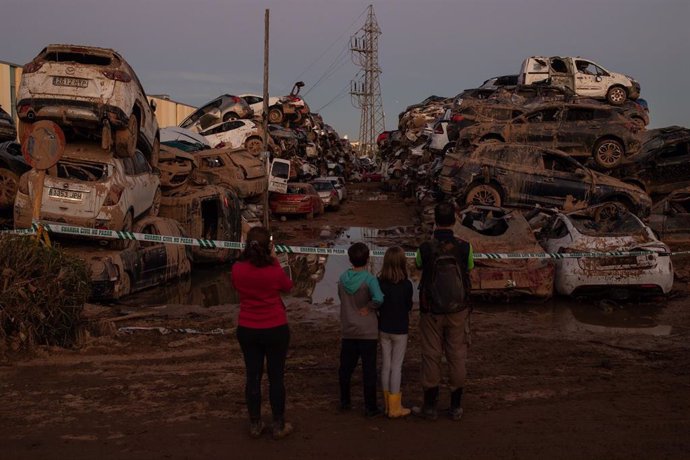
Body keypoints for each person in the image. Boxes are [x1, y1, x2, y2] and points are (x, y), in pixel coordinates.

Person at [231, 226, 294, 439]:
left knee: (253, 376)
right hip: (275, 328)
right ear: (269, 247)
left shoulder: (237, 268)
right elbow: (288, 286)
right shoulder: (274, 269)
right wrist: (276, 259)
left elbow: (237, 286)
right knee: (276, 377)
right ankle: (278, 424)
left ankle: (255, 424)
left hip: (248, 328)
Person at [413, 202, 474, 421]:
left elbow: (418, 266)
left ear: (435, 221)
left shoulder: (426, 248)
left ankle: (430, 407)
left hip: (431, 311)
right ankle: (455, 406)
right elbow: (470, 267)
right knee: (457, 355)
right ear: (454, 221)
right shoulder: (464, 246)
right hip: (458, 309)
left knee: (431, 355)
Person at [338, 242, 385, 417]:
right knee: (369, 369)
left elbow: (341, 298)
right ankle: (370, 406)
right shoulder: (370, 279)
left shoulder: (343, 279)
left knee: (345, 368)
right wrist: (369, 306)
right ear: (367, 259)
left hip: (348, 328)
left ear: (350, 259)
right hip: (367, 331)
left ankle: (344, 401)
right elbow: (379, 299)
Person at [377, 246, 414, 418]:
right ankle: (394, 407)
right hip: (400, 329)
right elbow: (408, 306)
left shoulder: (379, 283)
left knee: (386, 365)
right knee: (396, 367)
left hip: (384, 328)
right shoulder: (407, 285)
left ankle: (386, 404)